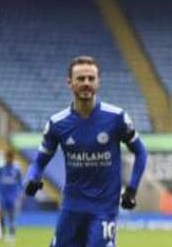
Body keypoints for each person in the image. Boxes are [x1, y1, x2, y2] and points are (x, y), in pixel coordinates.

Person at [24, 55, 148, 247]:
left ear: (98, 82)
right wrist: (33, 178)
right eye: (81, 79)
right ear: (70, 82)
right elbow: (39, 162)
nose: (86, 83)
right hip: (72, 206)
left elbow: (140, 152)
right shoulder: (57, 124)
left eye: (91, 78)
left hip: (104, 207)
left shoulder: (116, 118)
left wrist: (131, 189)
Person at [0, 149, 23, 245]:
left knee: (11, 216)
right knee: (1, 215)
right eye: (7, 157)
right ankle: (2, 233)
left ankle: (11, 235)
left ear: (12, 158)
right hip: (2, 195)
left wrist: (20, 193)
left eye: (10, 157)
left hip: (12, 196)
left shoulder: (16, 169)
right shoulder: (1, 168)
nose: (9, 159)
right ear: (5, 158)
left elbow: (20, 182)